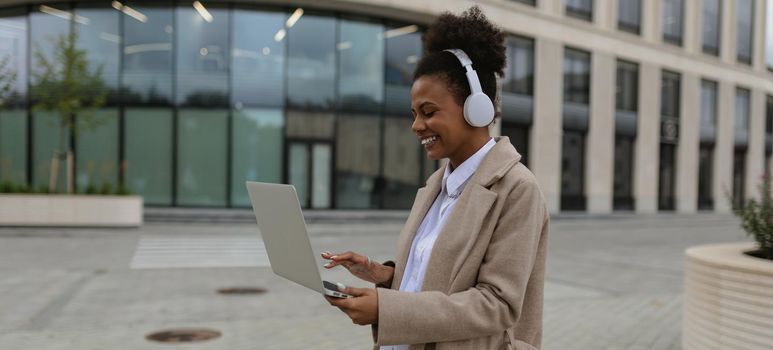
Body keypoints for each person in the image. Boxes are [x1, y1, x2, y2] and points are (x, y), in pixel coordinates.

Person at [323, 6, 549, 350]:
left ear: (477, 107)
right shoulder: (435, 187)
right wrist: (382, 274)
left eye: (428, 112)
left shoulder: (517, 190)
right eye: (414, 114)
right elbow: (435, 277)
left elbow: (497, 305)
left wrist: (385, 309)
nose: (416, 126)